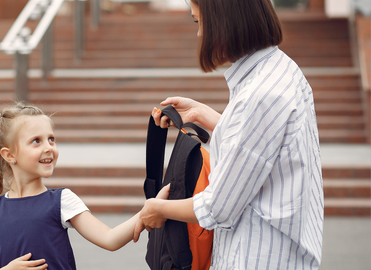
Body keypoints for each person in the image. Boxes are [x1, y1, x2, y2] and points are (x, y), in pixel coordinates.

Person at [133, 0, 324, 269]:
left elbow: (218, 206)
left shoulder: (261, 94)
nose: (199, 34)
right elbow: (261, 149)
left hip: (260, 256)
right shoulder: (280, 70)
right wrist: (201, 113)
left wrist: (157, 209)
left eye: (199, 22)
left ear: (225, 18)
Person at [0, 103, 166, 270]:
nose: (48, 147)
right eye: (36, 141)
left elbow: (109, 238)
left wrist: (150, 209)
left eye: (51, 139)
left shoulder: (62, 201)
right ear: (9, 155)